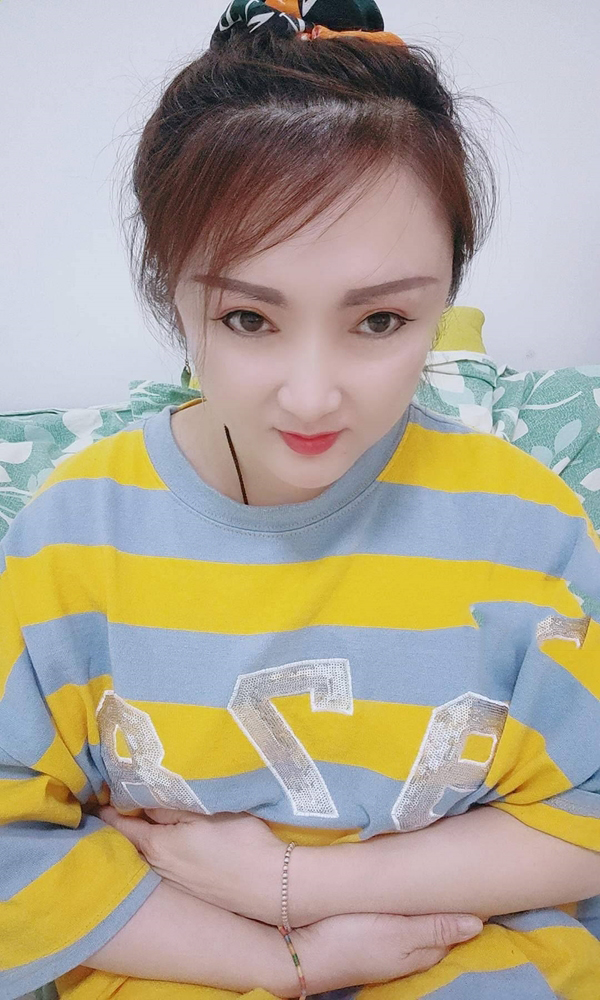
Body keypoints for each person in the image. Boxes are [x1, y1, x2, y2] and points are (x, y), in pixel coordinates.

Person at [1, 1, 599, 997]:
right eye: (249, 317)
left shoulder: (528, 529)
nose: (313, 396)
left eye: (380, 320)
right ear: (171, 288)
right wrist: (286, 959)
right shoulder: (70, 538)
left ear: (445, 296)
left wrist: (298, 883)